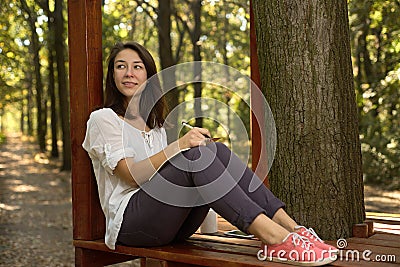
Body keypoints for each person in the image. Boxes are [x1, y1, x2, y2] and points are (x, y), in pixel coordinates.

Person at [82, 41, 337, 266]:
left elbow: (173, 182)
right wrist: (179, 146)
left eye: (137, 67)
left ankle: (293, 229)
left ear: (148, 75)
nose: (129, 73)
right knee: (193, 155)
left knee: (215, 149)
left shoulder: (156, 127)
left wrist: (210, 218)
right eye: (120, 66)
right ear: (112, 75)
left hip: (173, 224)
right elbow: (131, 177)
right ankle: (275, 239)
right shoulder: (103, 119)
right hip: (132, 224)